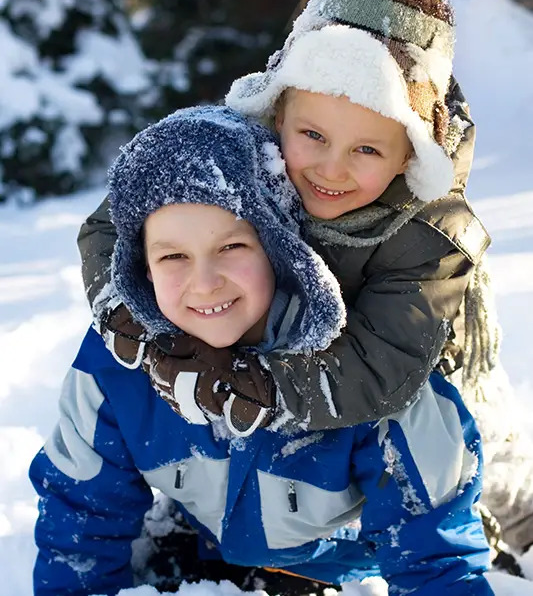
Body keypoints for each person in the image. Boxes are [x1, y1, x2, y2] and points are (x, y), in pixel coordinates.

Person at [76, 0, 533, 552]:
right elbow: (118, 220)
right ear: (277, 114)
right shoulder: (245, 155)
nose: (330, 169)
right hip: (294, 357)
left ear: (410, 154)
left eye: (367, 150)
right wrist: (126, 310)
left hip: (429, 382)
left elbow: (379, 368)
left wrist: (257, 386)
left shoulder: (430, 237)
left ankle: (512, 533)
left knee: (482, 474)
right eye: (311, 134)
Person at [30, 105, 493, 596]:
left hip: (339, 563)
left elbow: (435, 555)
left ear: (279, 249)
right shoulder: (117, 369)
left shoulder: (358, 372)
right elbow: (79, 517)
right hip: (203, 544)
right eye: (173, 256)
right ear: (141, 267)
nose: (205, 283)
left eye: (232, 247)